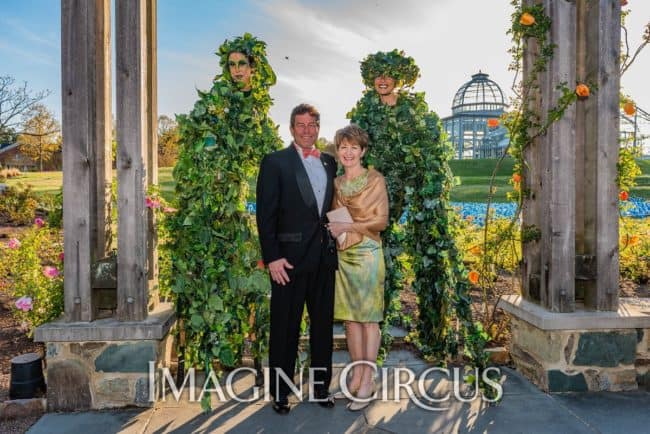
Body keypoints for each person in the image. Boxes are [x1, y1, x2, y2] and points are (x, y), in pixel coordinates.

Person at [169, 33, 281, 401]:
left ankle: (267, 367)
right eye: (231, 64)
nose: (236, 70)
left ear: (255, 68)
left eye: (242, 64)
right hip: (207, 212)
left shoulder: (258, 111)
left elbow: (269, 157)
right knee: (207, 284)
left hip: (233, 212)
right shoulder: (215, 103)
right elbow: (197, 148)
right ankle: (203, 359)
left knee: (259, 286)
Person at [256, 103, 338, 414]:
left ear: (318, 128)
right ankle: (280, 392)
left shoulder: (329, 162)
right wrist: (272, 257)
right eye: (300, 125)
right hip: (287, 263)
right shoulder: (275, 162)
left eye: (312, 125)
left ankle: (321, 389)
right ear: (291, 129)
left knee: (322, 329)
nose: (307, 130)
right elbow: (266, 215)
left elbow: (330, 211)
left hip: (323, 261)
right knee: (284, 328)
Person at [327, 124, 389, 411]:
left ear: (363, 150)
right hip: (345, 254)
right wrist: (335, 228)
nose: (348, 152)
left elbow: (381, 222)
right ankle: (356, 377)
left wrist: (348, 225)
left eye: (354, 147)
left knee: (368, 320)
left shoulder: (375, 180)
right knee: (351, 321)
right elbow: (332, 217)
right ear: (338, 151)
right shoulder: (337, 184)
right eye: (343, 147)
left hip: (368, 254)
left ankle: (368, 381)